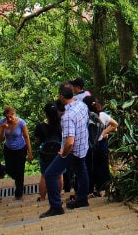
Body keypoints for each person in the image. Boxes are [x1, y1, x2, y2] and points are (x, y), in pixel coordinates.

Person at [39, 82, 89, 218]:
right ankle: (82, 199)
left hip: (71, 150)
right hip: (83, 146)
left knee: (50, 174)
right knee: (81, 169)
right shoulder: (82, 105)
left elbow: (69, 141)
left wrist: (63, 153)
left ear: (61, 96)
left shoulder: (67, 116)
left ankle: (56, 207)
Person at [83, 96, 118, 196]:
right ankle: (103, 189)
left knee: (92, 167)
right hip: (102, 144)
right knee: (103, 167)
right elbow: (115, 125)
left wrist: (102, 133)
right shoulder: (102, 115)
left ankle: (92, 190)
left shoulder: (87, 116)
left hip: (91, 145)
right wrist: (103, 133)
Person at [0, 105, 33, 201]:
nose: (9, 119)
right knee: (9, 169)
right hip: (8, 149)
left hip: (21, 149)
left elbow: (26, 137)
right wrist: (3, 129)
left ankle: (19, 192)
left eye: (11, 116)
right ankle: (19, 181)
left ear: (14, 114)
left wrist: (30, 152)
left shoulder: (21, 123)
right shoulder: (2, 122)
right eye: (7, 117)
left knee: (20, 170)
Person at [35, 100, 64, 202]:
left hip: (46, 154)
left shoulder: (41, 126)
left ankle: (42, 198)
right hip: (58, 153)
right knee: (59, 175)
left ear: (46, 113)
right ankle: (58, 195)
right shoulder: (61, 124)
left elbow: (38, 141)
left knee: (44, 175)